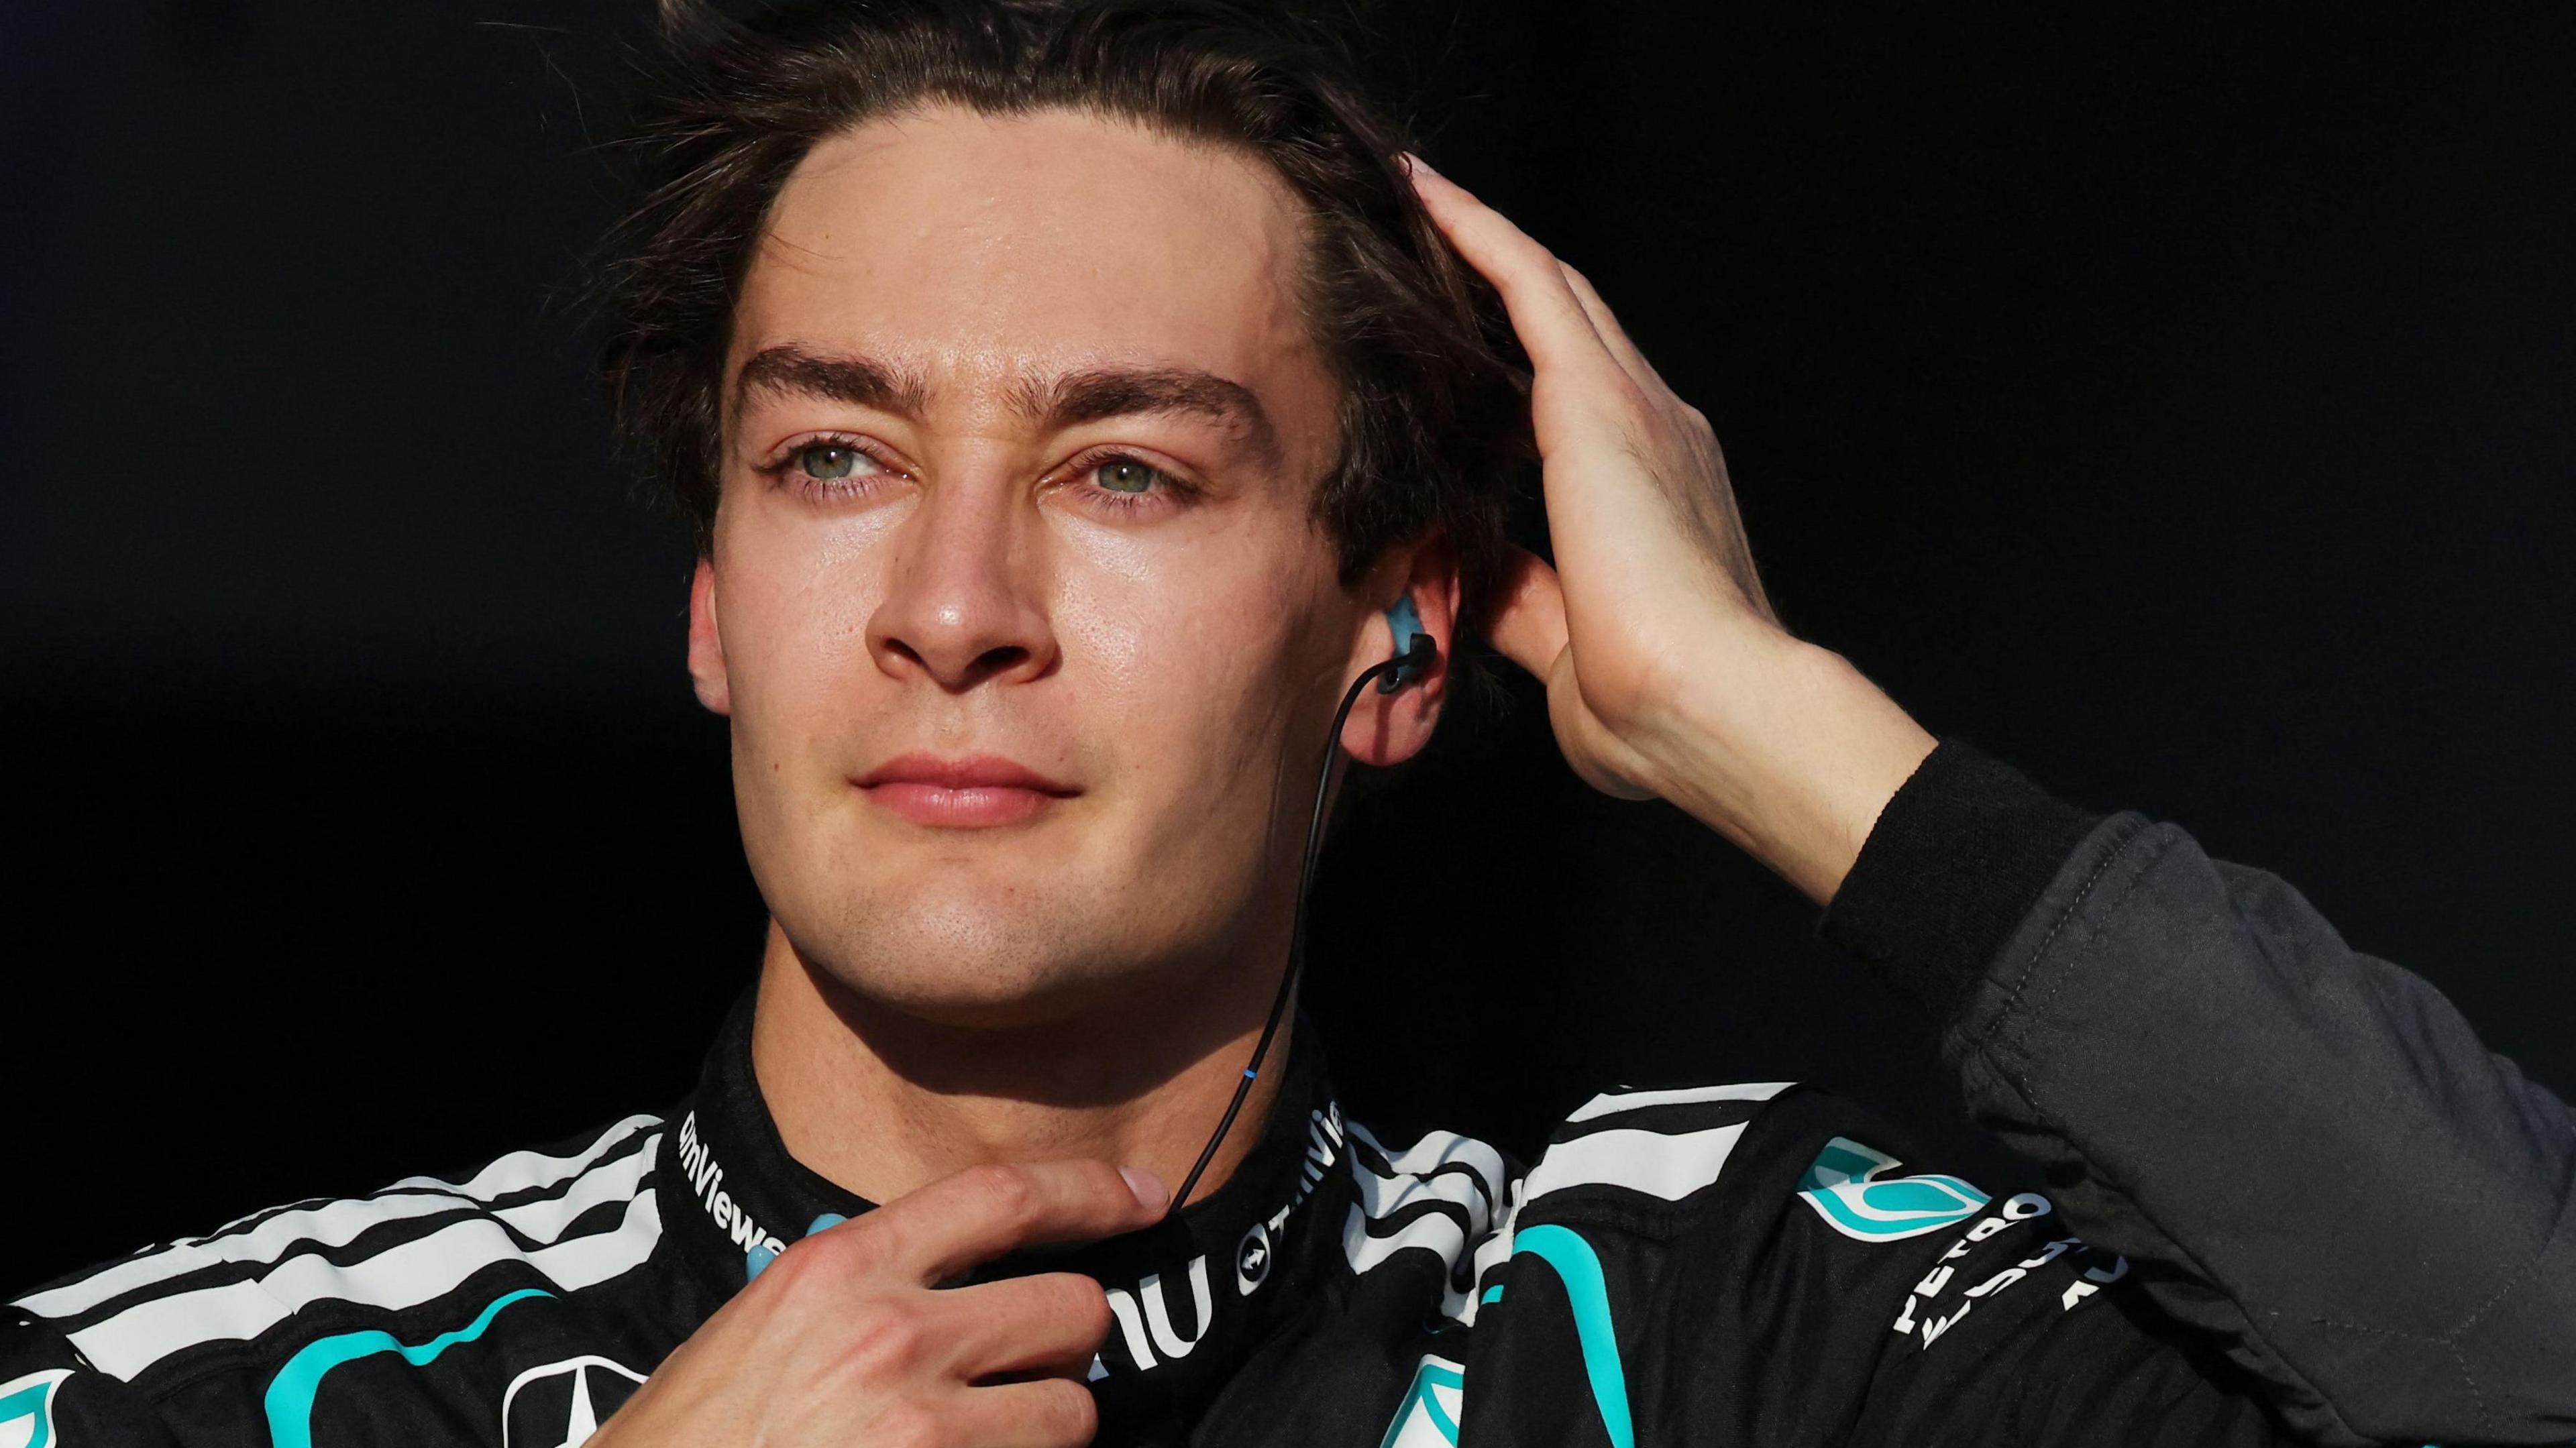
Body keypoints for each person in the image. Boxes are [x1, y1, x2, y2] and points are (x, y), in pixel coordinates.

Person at [6, 2, 2569, 1445]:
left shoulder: (1706, 1324)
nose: (954, 608)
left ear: (1399, 639)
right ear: (711, 604)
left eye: (1124, 471)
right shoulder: (218, 1393)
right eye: (834, 460)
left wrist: (1761, 714)